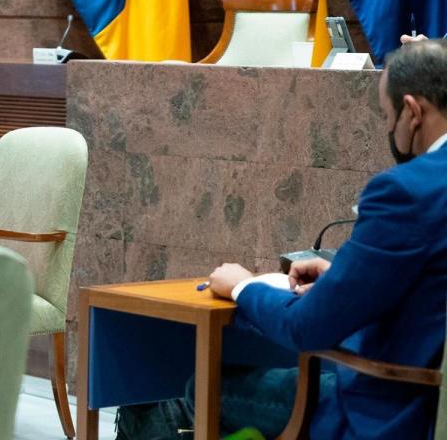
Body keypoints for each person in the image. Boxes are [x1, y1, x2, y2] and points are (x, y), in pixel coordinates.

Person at [121, 39, 447, 439]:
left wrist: (243, 286)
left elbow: (305, 328)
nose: (387, 129)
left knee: (200, 388)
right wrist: (342, 277)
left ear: (413, 111)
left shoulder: (405, 191)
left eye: (386, 117)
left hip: (392, 410)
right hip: (425, 391)